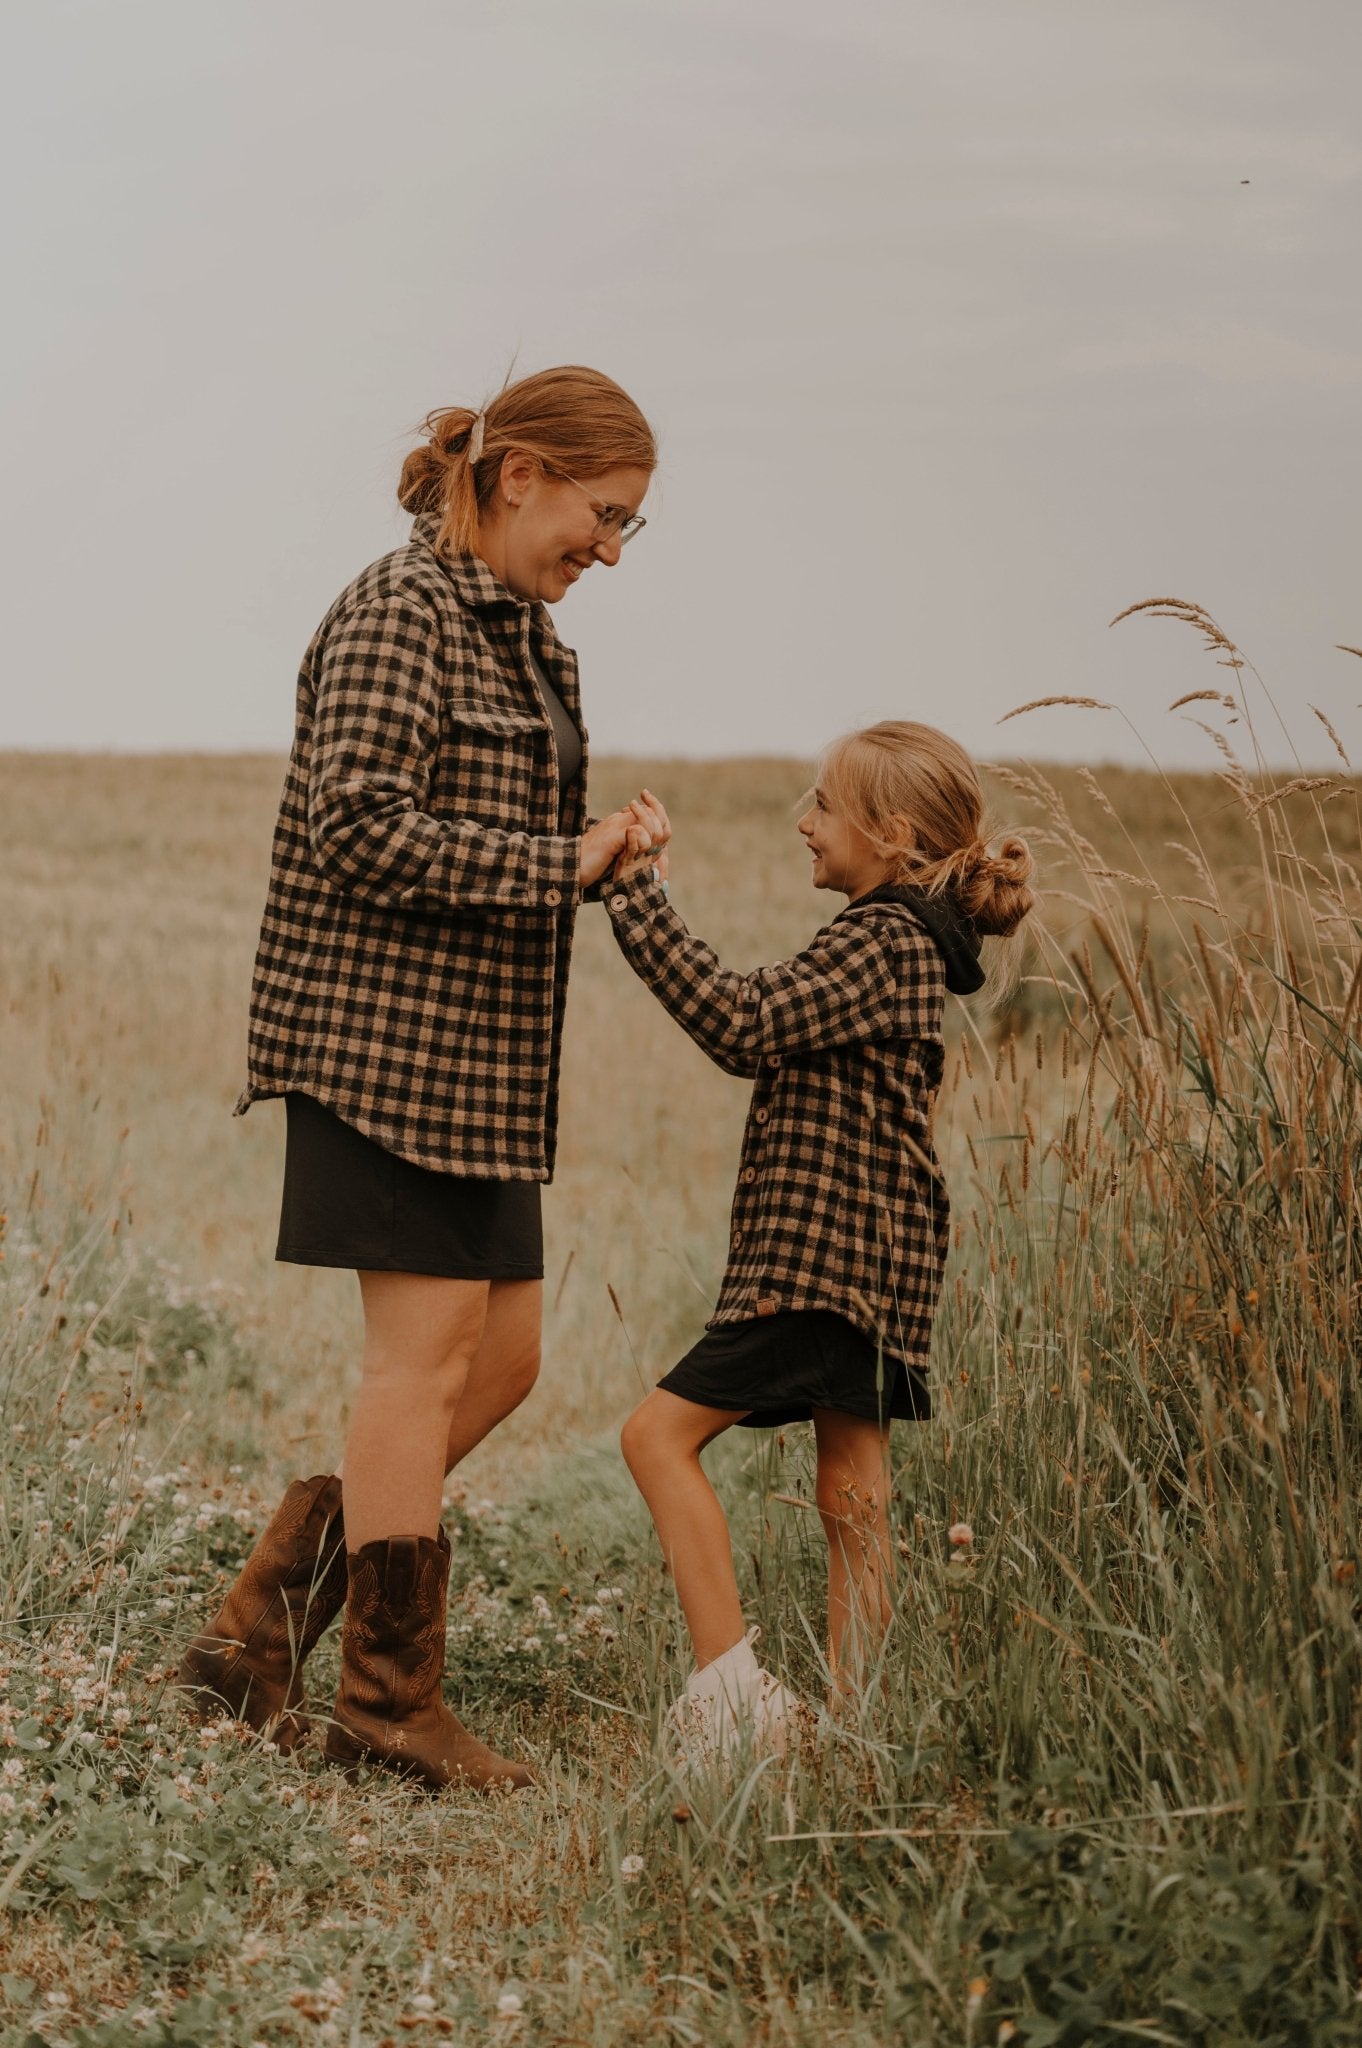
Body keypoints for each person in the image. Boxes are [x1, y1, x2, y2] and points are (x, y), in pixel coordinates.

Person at [178, 365, 660, 1791]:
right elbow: (359, 828)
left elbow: (481, 843)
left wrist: (596, 854)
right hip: (383, 1052)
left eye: (635, 528)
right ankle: (385, 1712)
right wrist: (556, 859)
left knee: (503, 1361)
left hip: (483, 1071)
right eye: (603, 515)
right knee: (419, 1365)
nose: (612, 551)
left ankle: (258, 1623)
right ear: (519, 476)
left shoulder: (530, 643)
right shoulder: (401, 610)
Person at [603, 721, 1035, 1761]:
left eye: (822, 807)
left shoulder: (883, 937)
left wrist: (638, 894)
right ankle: (861, 1732)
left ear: (891, 836)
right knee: (854, 1493)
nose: (805, 823)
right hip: (882, 1260)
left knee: (656, 1438)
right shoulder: (908, 943)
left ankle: (731, 1698)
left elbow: (743, 1020)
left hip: (827, 1261)